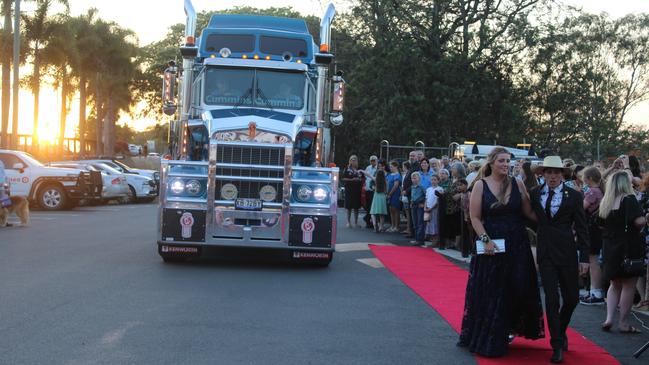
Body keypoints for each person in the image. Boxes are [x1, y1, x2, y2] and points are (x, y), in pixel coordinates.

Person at [458, 147, 544, 358]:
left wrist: (555, 219)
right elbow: (475, 217)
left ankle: (507, 328)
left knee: (516, 287)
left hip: (517, 244)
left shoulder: (518, 183)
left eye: (508, 161)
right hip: (491, 245)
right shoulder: (480, 185)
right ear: (491, 163)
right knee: (491, 290)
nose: (506, 164)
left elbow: (529, 213)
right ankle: (492, 333)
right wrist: (486, 240)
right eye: (502, 161)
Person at [529, 156, 590, 363]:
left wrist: (584, 258)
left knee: (572, 298)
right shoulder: (535, 194)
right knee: (552, 299)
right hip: (545, 252)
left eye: (556, 173)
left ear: (562, 174)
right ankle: (556, 344)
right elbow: (526, 217)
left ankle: (561, 330)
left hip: (567, 252)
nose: (553, 176)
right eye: (549, 172)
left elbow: (582, 229)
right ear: (543, 174)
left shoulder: (574, 195)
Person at [599, 171, 649, 333]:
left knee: (614, 284)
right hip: (628, 247)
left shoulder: (607, 200)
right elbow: (638, 222)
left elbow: (599, 222)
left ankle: (608, 318)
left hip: (610, 246)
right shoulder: (629, 199)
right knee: (628, 285)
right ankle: (623, 322)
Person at [579, 166, 606, 306]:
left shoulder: (592, 192)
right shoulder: (600, 190)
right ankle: (593, 290)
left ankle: (596, 291)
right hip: (597, 229)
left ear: (588, 178)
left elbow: (581, 208)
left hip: (592, 229)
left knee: (593, 261)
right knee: (593, 260)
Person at [342, 155, 363, 228]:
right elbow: (343, 178)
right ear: (349, 160)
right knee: (349, 207)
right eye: (351, 160)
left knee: (356, 207)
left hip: (357, 190)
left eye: (354, 160)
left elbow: (363, 178)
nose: (353, 161)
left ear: (357, 160)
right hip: (349, 190)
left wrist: (360, 180)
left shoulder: (360, 169)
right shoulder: (347, 169)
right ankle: (348, 222)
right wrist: (352, 180)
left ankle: (356, 223)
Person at [410, 172, 427, 246]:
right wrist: (411, 202)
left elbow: (426, 196)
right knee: (415, 223)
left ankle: (420, 240)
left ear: (419, 179)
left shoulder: (422, 187)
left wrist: (423, 203)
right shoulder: (412, 187)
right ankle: (416, 238)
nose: (413, 180)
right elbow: (412, 196)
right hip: (413, 205)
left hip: (419, 205)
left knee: (420, 223)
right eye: (412, 178)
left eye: (415, 178)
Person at [363, 156, 379, 229]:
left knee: (372, 207)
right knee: (368, 206)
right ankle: (368, 221)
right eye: (371, 160)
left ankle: (368, 219)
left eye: (374, 160)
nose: (372, 162)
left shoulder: (378, 168)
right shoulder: (368, 167)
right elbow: (365, 177)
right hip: (367, 189)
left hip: (373, 190)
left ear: (376, 161)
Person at [386, 161, 402, 233]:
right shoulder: (390, 175)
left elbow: (396, 185)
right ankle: (392, 226)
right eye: (390, 167)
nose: (390, 168)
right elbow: (387, 183)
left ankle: (396, 226)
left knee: (395, 210)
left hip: (395, 194)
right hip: (389, 194)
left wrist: (390, 194)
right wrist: (387, 193)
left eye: (391, 167)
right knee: (391, 210)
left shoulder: (397, 175)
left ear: (396, 167)